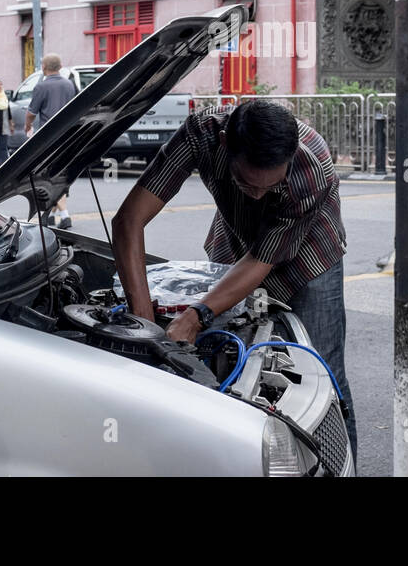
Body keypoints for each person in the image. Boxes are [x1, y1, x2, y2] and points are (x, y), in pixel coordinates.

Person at [111, 100, 356, 460]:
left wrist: (196, 315)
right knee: (230, 369)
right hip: (235, 241)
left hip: (309, 258)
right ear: (225, 143)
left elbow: (261, 259)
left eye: (268, 188)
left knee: (323, 375)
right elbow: (128, 220)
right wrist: (145, 325)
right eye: (244, 181)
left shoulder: (310, 171)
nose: (256, 193)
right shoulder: (200, 136)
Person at [24, 53, 78, 227]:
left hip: (49, 138)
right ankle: (51, 215)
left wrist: (27, 126)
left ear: (43, 68)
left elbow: (31, 113)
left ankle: (63, 215)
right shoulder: (70, 84)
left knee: (50, 176)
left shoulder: (41, 87)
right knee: (61, 174)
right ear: (60, 66)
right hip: (68, 137)